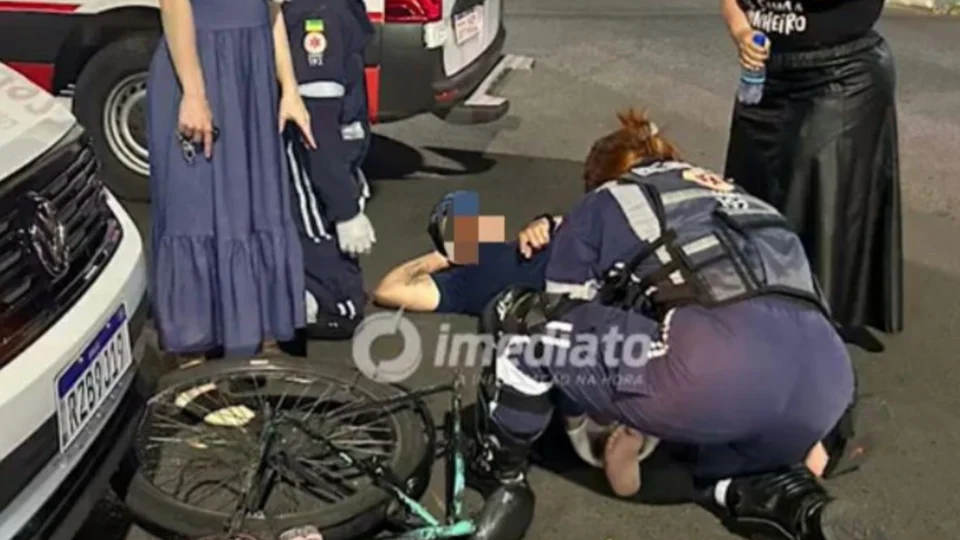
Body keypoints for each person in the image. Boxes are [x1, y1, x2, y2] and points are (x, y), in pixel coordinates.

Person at [466, 109, 878, 540]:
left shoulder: (607, 200)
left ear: (598, 177)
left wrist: (592, 405)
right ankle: (791, 500)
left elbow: (566, 309)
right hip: (829, 382)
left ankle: (499, 476)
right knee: (721, 422)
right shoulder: (743, 200)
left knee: (521, 319)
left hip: (709, 370)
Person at [721, 0, 902, 349]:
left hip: (840, 72)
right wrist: (741, 31)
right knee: (751, 197)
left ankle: (819, 326)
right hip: (766, 77)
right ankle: (759, 315)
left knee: (821, 205)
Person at [148, 0, 314, 358]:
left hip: (251, 77)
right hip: (198, 69)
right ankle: (194, 369)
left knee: (250, 208)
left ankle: (242, 347)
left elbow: (272, 12)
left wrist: (290, 88)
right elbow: (174, 4)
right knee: (195, 210)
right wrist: (193, 94)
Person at [283, 0, 376, 340]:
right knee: (338, 302)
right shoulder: (319, 17)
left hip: (336, 161)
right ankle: (315, 303)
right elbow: (317, 131)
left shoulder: (334, 10)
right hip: (317, 167)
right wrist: (345, 210)